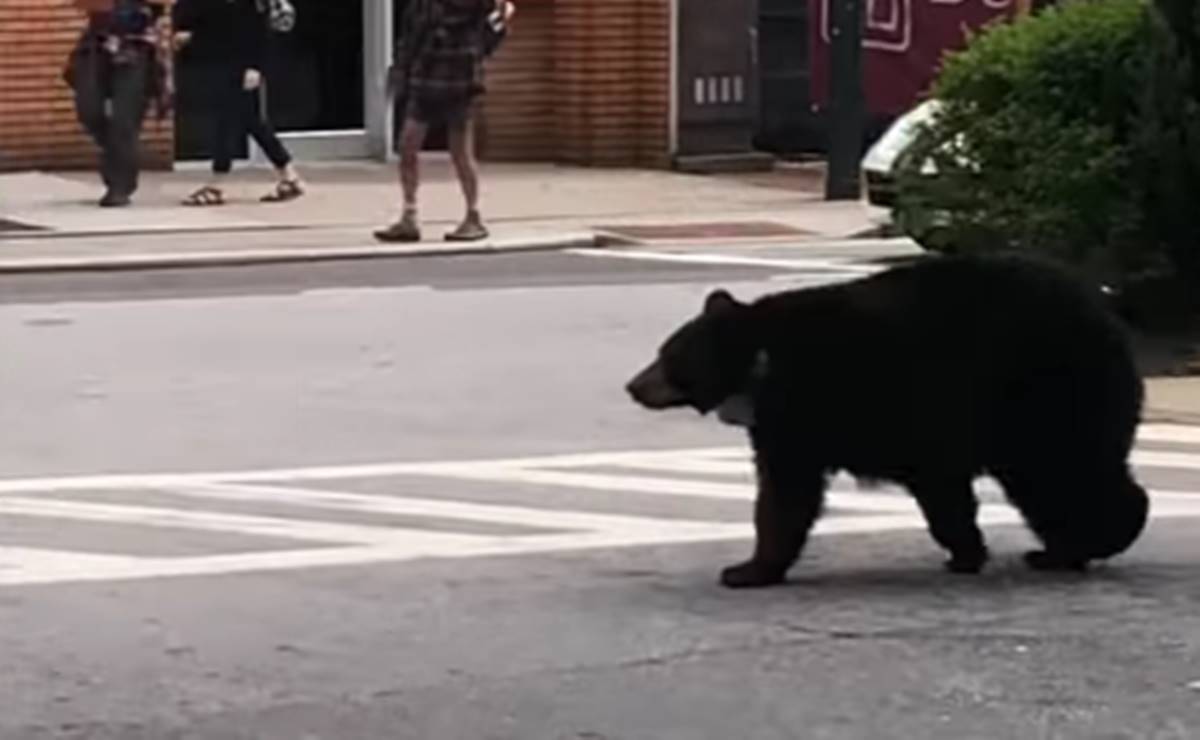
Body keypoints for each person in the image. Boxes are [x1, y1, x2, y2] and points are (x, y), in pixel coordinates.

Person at [375, 0, 514, 243]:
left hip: (460, 78)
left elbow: (499, 23)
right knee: (408, 144)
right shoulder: (422, 6)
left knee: (460, 151)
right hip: (426, 76)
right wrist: (400, 71)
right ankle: (410, 215)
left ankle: (473, 215)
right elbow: (410, 37)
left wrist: (479, 50)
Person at [172, 0, 304, 206]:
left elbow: (260, 32)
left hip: (242, 67)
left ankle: (217, 184)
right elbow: (218, 27)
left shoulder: (251, 4)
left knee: (227, 122)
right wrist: (192, 37)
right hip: (224, 62)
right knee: (253, 122)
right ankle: (289, 177)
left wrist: (256, 67)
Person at [65, 0, 171, 208]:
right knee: (88, 109)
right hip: (98, 43)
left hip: (138, 46)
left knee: (125, 120)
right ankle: (118, 155)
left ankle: (120, 186)